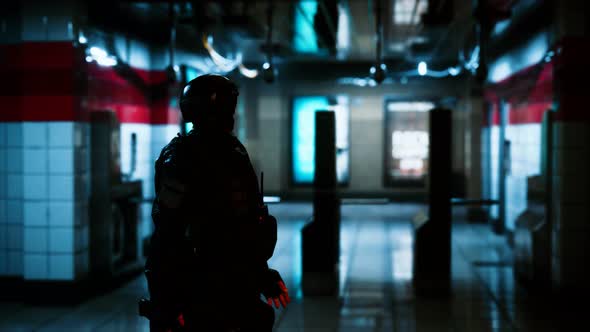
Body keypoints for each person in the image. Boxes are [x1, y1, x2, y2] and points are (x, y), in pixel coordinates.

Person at [143, 74, 289, 332]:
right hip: (199, 288)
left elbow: (243, 224)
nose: (231, 115)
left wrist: (261, 273)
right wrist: (165, 304)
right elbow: (167, 236)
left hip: (236, 285)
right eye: (226, 107)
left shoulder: (233, 151)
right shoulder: (180, 158)